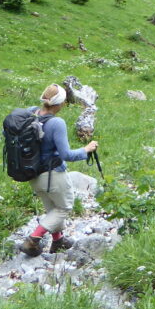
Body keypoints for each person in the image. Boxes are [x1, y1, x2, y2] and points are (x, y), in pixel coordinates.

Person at [19, 83, 98, 257]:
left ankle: (58, 240)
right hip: (53, 175)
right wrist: (87, 149)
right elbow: (66, 154)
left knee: (52, 209)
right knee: (63, 208)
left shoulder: (31, 113)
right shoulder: (57, 123)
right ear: (60, 103)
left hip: (33, 174)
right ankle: (33, 239)